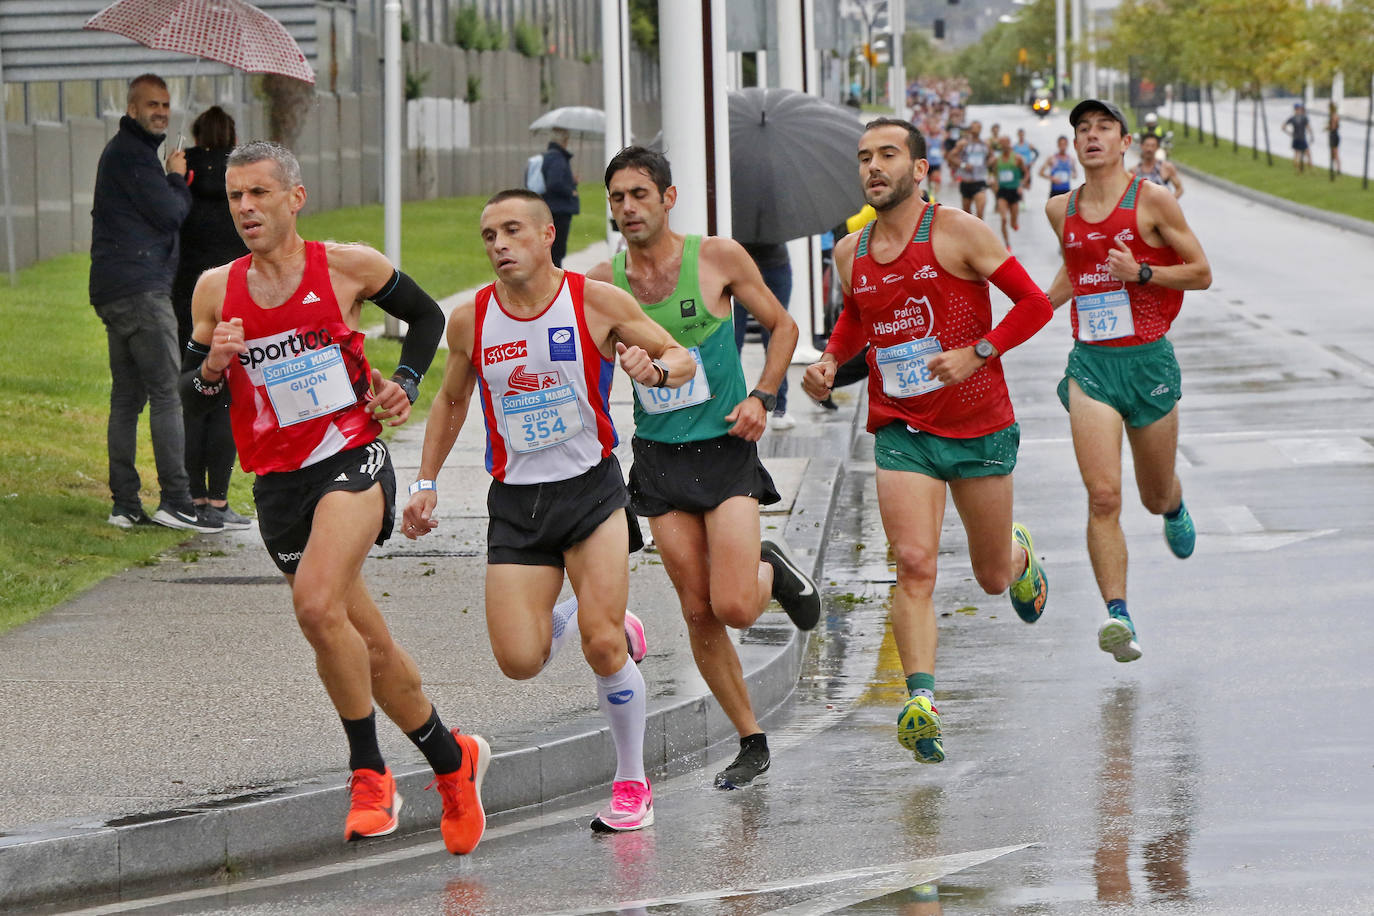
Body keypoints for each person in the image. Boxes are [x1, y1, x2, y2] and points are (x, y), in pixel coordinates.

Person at [181, 141, 489, 854]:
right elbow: (193, 397)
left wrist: (405, 383)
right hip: (277, 484)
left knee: (316, 603)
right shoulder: (212, 289)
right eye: (234, 197)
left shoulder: (346, 266)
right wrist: (216, 365)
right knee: (366, 644)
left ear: (296, 197)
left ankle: (369, 772)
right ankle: (454, 762)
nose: (246, 209)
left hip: (350, 456)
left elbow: (428, 319)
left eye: (259, 193)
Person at [403, 188, 696, 832]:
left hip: (592, 492)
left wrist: (655, 371)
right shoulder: (471, 319)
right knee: (518, 661)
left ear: (546, 236)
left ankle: (631, 782)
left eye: (511, 231)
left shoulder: (593, 303)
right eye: (488, 236)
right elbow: (450, 402)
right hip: (516, 505)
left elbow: (680, 358)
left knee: (600, 645)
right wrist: (424, 481)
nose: (499, 245)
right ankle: (593, 613)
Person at [801, 118, 1053, 765]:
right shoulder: (849, 252)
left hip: (977, 423)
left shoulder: (957, 232)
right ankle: (921, 701)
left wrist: (979, 351)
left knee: (991, 577)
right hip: (901, 427)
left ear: (919, 168)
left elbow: (1032, 304)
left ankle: (1020, 558)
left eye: (888, 154)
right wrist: (832, 360)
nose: (873, 167)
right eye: (864, 157)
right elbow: (859, 314)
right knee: (913, 564)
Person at [586, 147, 821, 791]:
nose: (628, 207)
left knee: (738, 605)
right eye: (617, 198)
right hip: (659, 462)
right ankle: (750, 739)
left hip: (724, 448)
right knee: (698, 611)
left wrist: (762, 397)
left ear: (668, 197)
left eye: (639, 194)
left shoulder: (715, 259)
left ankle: (767, 568)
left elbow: (782, 325)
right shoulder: (604, 284)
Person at [1044, 100, 1212, 663]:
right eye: (1083, 129)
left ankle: (1173, 505)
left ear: (1124, 142)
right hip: (1091, 365)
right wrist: (1029, 312)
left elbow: (1201, 271)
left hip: (1148, 363)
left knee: (1151, 491)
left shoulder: (1152, 200)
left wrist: (1142, 272)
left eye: (1104, 128)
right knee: (1103, 496)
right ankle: (1119, 616)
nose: (1092, 136)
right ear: (1075, 145)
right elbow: (1076, 268)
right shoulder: (1059, 209)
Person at [90, 73, 217, 533]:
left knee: (126, 399)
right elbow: (170, 215)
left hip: (113, 289)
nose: (160, 111)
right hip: (143, 291)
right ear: (131, 109)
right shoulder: (133, 155)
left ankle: (125, 504)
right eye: (151, 105)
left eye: (165, 104)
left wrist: (164, 174)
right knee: (166, 395)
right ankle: (178, 500)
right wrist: (178, 179)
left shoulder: (126, 155)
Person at [171, 106, 251, 530]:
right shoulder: (240, 184)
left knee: (192, 394)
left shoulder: (184, 179)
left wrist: (174, 172)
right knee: (224, 400)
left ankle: (192, 495)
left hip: (187, 298)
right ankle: (218, 500)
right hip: (232, 296)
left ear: (198, 135)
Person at [732, 241, 797, 429]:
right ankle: (776, 408)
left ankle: (777, 407)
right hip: (745, 265)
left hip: (771, 263)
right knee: (732, 339)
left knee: (776, 336)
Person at [540, 127, 580, 266]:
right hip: (559, 209)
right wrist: (570, 191)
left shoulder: (551, 156)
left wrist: (571, 180)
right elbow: (554, 183)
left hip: (552, 208)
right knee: (557, 250)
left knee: (554, 250)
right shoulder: (557, 158)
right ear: (564, 140)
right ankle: (555, 282)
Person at [991, 136, 1031, 249]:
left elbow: (1026, 173)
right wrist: (994, 183)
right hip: (1002, 192)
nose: (1004, 146)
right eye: (1001, 144)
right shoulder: (997, 160)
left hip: (1014, 191)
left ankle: (1014, 223)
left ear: (1009, 144)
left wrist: (1021, 185)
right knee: (1003, 219)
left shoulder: (1017, 159)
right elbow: (994, 174)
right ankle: (1007, 244)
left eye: (1005, 143)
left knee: (1013, 224)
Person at [947, 121, 990, 220]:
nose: (976, 129)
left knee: (980, 212)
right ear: (971, 129)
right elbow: (951, 156)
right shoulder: (964, 143)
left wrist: (989, 165)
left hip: (979, 181)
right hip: (966, 182)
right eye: (974, 127)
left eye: (978, 127)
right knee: (967, 215)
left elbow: (992, 157)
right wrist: (963, 165)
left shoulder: (985, 144)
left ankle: (979, 233)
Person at [1132, 134, 1183, 199]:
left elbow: (1179, 189)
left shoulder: (1166, 167)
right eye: (1147, 145)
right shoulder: (1134, 171)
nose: (1149, 149)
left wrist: (1169, 204)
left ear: (1157, 147)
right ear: (1141, 146)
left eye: (1153, 146)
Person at [1283, 102, 1314, 174]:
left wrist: (1289, 133)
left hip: (1295, 138)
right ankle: (1310, 169)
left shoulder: (1292, 118)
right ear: (1299, 109)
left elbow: (1283, 127)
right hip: (1302, 138)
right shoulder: (1303, 117)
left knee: (1296, 154)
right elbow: (1308, 127)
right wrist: (1311, 135)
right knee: (1308, 153)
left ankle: (1297, 169)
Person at [1327, 103, 1341, 177]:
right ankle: (1334, 169)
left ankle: (1338, 170)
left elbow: (1333, 127)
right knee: (1333, 154)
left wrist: (1327, 127)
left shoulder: (1333, 116)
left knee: (1335, 154)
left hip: (1333, 136)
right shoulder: (1336, 116)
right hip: (1334, 135)